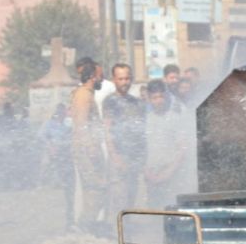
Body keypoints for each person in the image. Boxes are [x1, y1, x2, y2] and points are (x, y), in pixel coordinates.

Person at [143, 78, 194, 208]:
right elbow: (141, 149)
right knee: (154, 210)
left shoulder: (175, 117)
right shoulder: (146, 119)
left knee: (171, 209)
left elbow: (183, 148)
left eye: (161, 97)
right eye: (154, 98)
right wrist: (147, 172)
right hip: (152, 174)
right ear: (149, 98)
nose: (158, 101)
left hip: (171, 173)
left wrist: (169, 172)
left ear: (166, 96)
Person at [102, 62, 144, 216]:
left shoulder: (136, 102)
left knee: (131, 197)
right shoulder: (110, 102)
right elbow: (107, 130)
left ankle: (128, 231)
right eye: (120, 79)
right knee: (119, 198)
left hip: (134, 157)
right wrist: (115, 157)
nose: (124, 82)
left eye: (127, 78)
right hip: (119, 156)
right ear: (114, 79)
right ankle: (116, 233)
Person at [70, 56, 106, 233]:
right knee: (96, 190)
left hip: (88, 150)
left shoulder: (86, 94)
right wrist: (91, 148)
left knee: (94, 190)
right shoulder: (84, 95)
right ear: (92, 76)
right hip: (87, 151)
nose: (102, 79)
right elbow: (82, 124)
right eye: (100, 75)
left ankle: (86, 228)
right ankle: (85, 229)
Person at [40, 102, 74, 229]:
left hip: (66, 152)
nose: (61, 114)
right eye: (59, 112)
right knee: (47, 163)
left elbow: (73, 135)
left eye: (63, 112)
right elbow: (42, 136)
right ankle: (44, 180)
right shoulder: (49, 124)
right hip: (53, 150)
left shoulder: (68, 123)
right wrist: (50, 147)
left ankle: (62, 180)